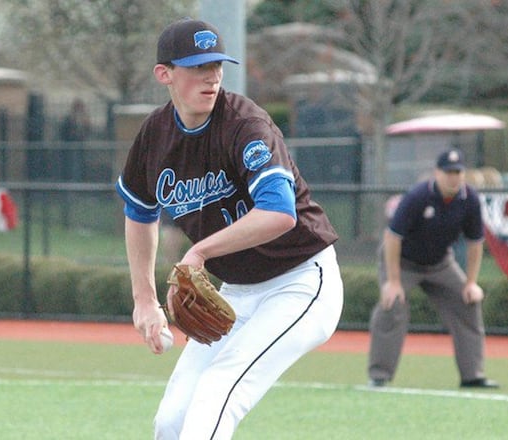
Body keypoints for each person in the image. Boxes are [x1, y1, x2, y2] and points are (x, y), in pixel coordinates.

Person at [115, 19, 344, 439]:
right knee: (173, 420)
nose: (212, 75)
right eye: (197, 66)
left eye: (216, 64)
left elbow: (279, 212)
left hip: (300, 280)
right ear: (164, 74)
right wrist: (144, 300)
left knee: (220, 391)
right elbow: (140, 211)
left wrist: (198, 252)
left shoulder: (245, 124)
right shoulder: (155, 135)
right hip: (237, 293)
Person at [368, 148, 498, 389]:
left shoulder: (469, 199)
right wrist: (393, 282)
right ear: (437, 173)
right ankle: (379, 375)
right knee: (392, 303)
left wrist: (471, 283)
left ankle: (473, 375)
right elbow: (392, 237)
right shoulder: (418, 196)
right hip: (402, 261)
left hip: (440, 263)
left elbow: (475, 243)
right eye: (448, 172)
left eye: (458, 172)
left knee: (468, 301)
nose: (454, 177)